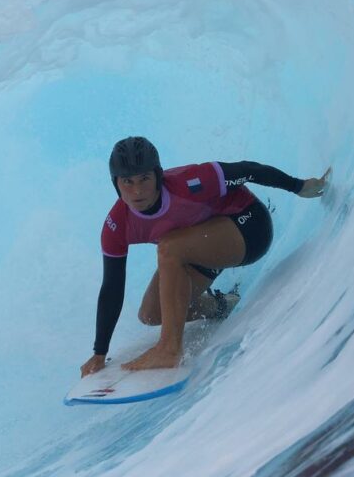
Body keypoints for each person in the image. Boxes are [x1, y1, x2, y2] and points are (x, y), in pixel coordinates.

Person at [80, 136, 330, 378]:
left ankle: (169, 349)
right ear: (116, 184)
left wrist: (299, 186)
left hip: (249, 227)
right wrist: (99, 352)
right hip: (200, 250)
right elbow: (112, 287)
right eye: (127, 182)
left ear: (157, 176)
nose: (137, 190)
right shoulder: (117, 225)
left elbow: (249, 170)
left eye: (144, 178)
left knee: (169, 247)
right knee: (151, 314)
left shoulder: (189, 182)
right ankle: (222, 305)